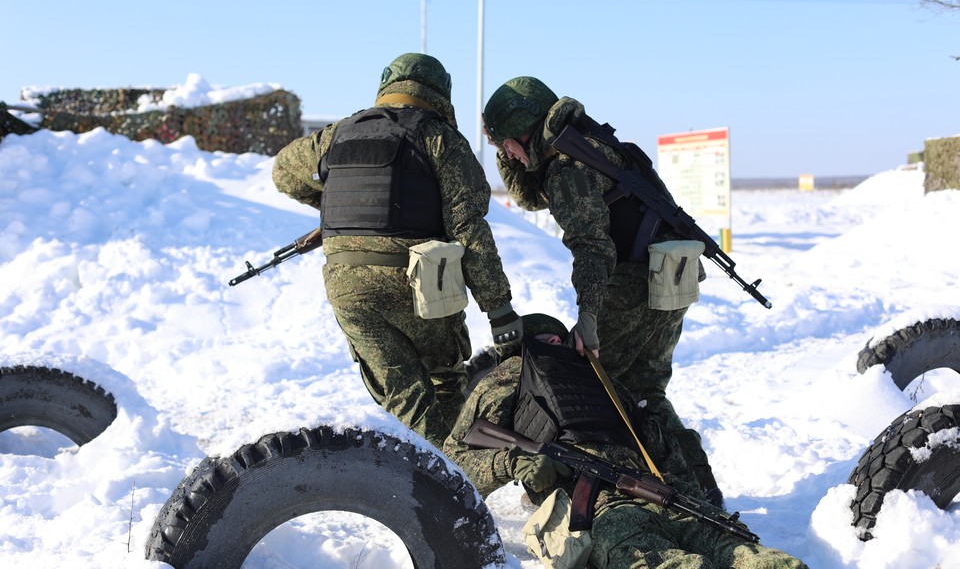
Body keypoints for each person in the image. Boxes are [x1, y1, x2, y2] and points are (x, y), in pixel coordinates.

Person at [481, 77, 721, 504]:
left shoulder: (568, 168)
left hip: (634, 284)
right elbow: (531, 195)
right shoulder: (589, 144)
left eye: (507, 146)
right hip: (673, 273)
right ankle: (699, 488)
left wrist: (589, 316)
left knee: (602, 392)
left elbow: (592, 246)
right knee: (646, 393)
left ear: (525, 132)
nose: (507, 155)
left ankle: (643, 494)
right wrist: (506, 148)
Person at [272, 53, 522, 449]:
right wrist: (499, 309)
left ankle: (429, 469)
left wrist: (337, 203)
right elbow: (469, 229)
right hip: (422, 284)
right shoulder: (440, 139)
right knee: (443, 382)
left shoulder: (337, 134)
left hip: (349, 285)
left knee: (405, 397)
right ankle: (460, 469)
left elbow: (283, 172)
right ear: (440, 93)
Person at [443, 313, 809, 569]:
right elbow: (454, 460)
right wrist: (513, 462)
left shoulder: (585, 378)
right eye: (547, 342)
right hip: (619, 502)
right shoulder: (529, 375)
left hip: (642, 499)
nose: (554, 346)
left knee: (714, 553)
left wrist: (685, 496)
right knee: (731, 556)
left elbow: (656, 439)